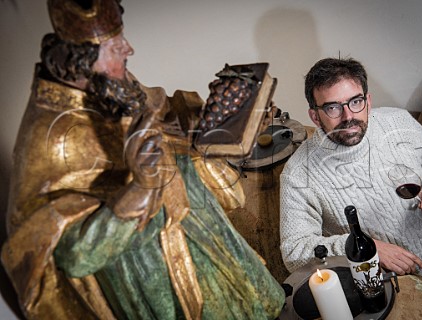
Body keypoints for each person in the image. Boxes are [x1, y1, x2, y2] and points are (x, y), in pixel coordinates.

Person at [1, 0, 284, 319]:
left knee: (259, 307)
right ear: (83, 60)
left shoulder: (108, 86)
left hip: (207, 233)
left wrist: (226, 122)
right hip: (158, 274)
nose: (128, 49)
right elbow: (68, 255)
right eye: (114, 46)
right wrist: (140, 188)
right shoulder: (51, 138)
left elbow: (162, 115)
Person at [279, 58, 422, 301]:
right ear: (315, 116)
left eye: (356, 102)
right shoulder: (298, 174)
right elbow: (294, 252)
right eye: (333, 107)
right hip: (385, 286)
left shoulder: (398, 122)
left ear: (368, 100)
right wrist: (364, 248)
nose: (348, 116)